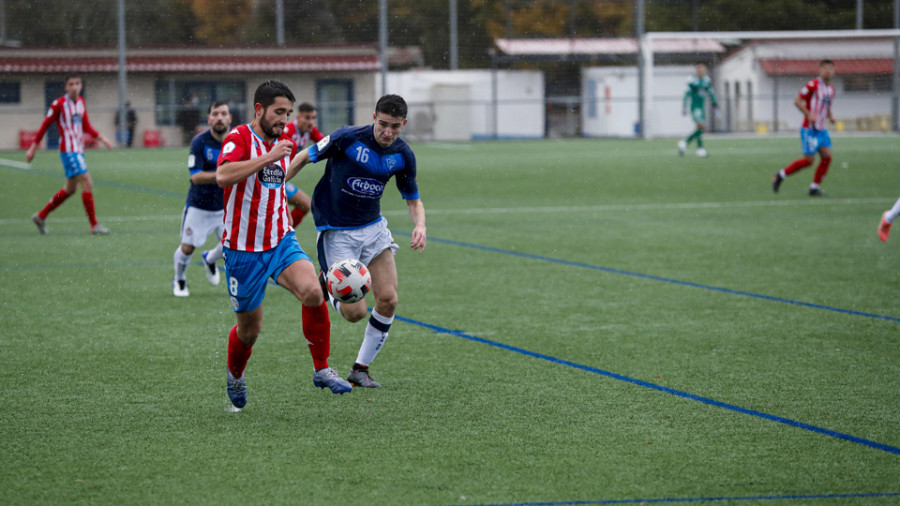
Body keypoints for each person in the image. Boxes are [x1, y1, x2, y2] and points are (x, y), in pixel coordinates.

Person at [216, 80, 351, 410]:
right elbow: (222, 176)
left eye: (287, 114)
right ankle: (235, 375)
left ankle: (321, 368)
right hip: (243, 251)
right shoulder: (239, 138)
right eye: (278, 112)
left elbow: (276, 182)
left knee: (314, 291)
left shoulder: (283, 143)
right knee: (250, 330)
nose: (283, 120)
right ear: (259, 109)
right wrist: (268, 158)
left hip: (280, 241)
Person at [287, 94, 427, 388]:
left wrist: (420, 226)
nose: (388, 133)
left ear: (404, 124)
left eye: (395, 127)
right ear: (374, 117)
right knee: (355, 313)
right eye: (384, 124)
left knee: (388, 299)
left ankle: (360, 369)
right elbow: (303, 157)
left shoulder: (402, 155)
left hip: (373, 230)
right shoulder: (346, 138)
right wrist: (275, 187)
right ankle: (326, 282)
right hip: (337, 231)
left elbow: (413, 200)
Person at [26, 75, 114, 235]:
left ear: (81, 86)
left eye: (77, 83)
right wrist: (33, 148)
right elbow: (45, 126)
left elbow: (86, 125)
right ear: (66, 87)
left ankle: (41, 216)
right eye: (71, 84)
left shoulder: (81, 102)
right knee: (87, 182)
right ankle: (94, 225)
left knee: (70, 189)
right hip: (68, 151)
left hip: (78, 150)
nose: (74, 86)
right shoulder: (58, 104)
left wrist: (102, 138)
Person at [172, 101, 231, 297]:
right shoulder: (199, 142)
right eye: (215, 114)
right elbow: (195, 177)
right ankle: (179, 278)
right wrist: (223, 174)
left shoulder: (236, 142)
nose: (220, 118)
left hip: (226, 206)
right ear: (209, 119)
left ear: (230, 118)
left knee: (231, 247)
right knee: (188, 249)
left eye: (224, 114)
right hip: (199, 206)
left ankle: (210, 259)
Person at [773, 59, 836, 197]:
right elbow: (797, 101)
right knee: (808, 161)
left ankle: (814, 188)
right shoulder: (813, 85)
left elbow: (826, 106)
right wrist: (808, 114)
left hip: (821, 129)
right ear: (820, 70)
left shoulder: (831, 90)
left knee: (827, 157)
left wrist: (830, 116)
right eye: (825, 68)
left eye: (830, 69)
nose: (828, 71)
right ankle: (780, 175)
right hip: (809, 129)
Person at [281, 103, 325, 227]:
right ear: (298, 117)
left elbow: (325, 144)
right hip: (273, 179)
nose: (311, 122)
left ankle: (283, 234)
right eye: (307, 118)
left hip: (283, 180)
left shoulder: (309, 131)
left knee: (305, 204)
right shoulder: (287, 131)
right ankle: (277, 235)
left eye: (313, 118)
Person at [678, 63, 719, 158]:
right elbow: (687, 94)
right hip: (695, 106)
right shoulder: (692, 81)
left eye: (703, 70)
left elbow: (710, 92)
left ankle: (686, 143)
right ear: (697, 71)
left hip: (701, 107)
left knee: (699, 128)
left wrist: (714, 104)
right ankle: (698, 148)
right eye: (699, 70)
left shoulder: (706, 80)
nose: (701, 72)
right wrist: (684, 106)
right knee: (700, 125)